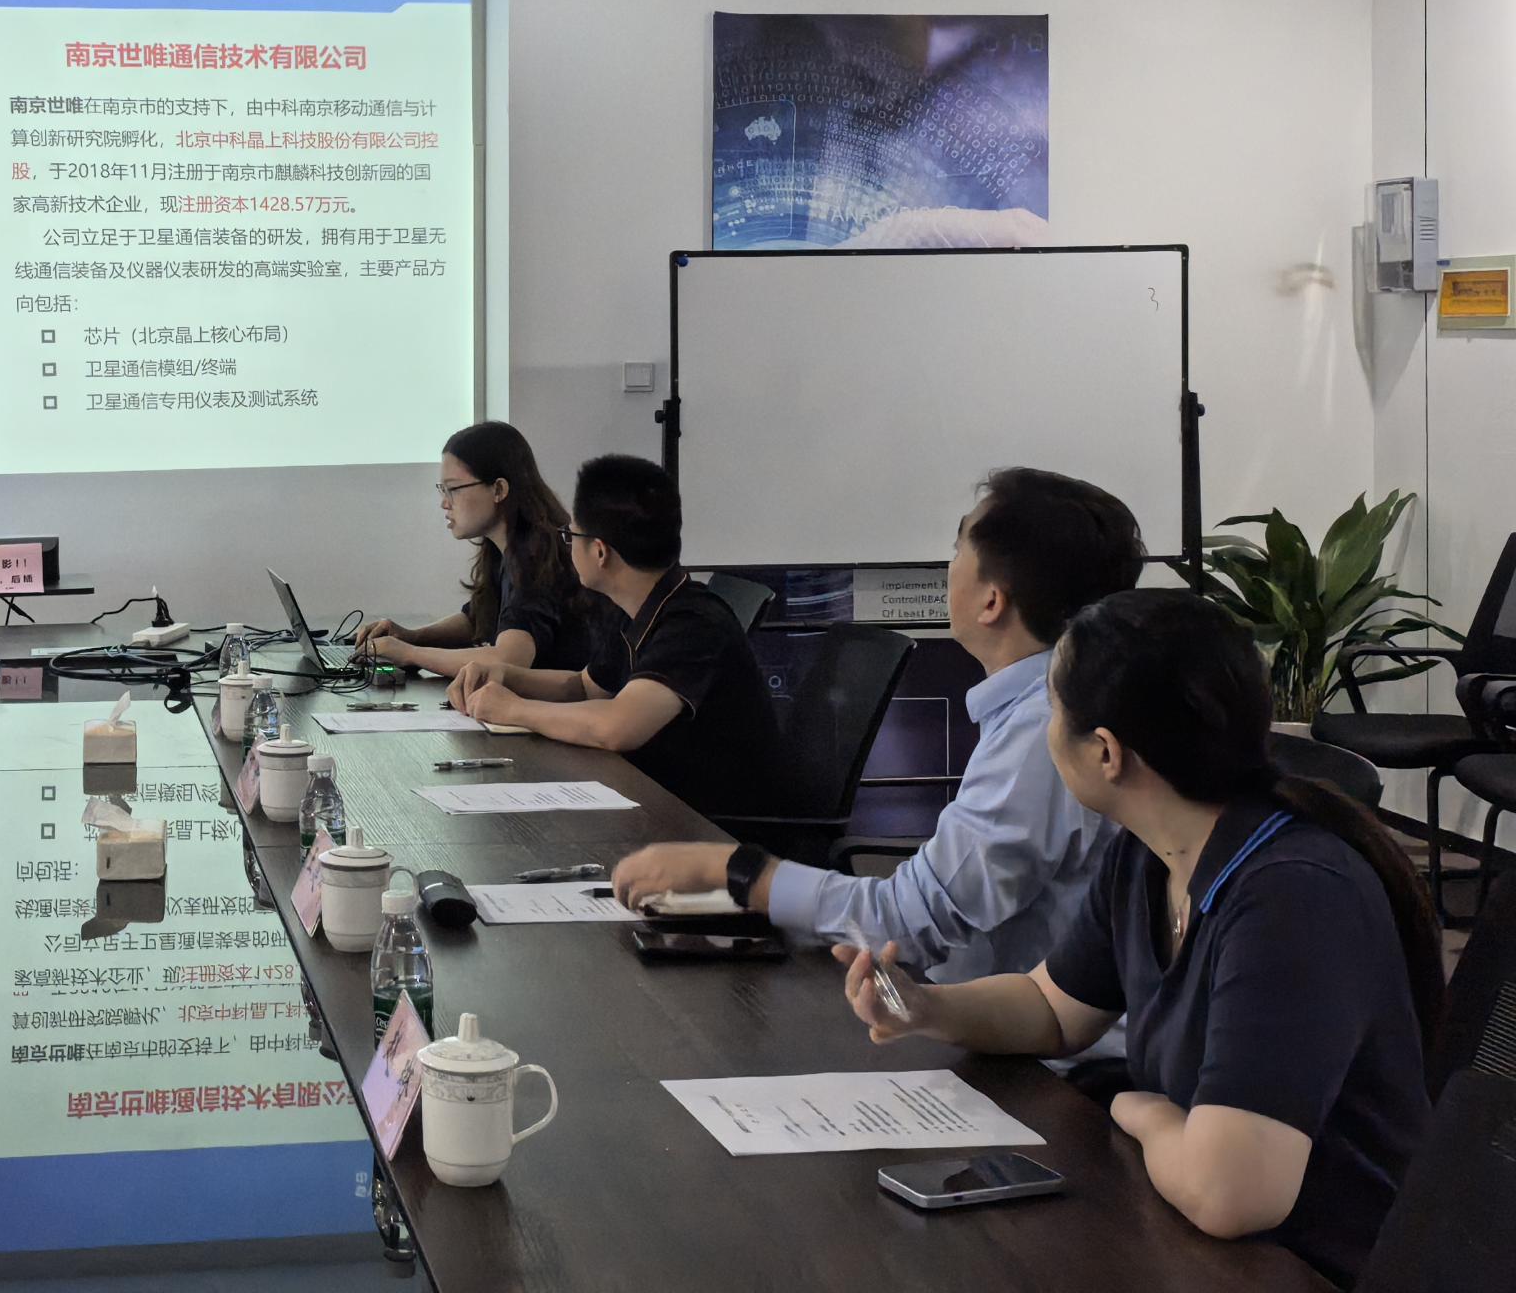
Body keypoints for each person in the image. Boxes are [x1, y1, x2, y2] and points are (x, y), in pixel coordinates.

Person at [835, 589, 1436, 1286]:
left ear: (1106, 753)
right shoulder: (1148, 855)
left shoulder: (1291, 898)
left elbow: (1230, 1192)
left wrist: (1143, 1112)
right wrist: (928, 1007)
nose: (1045, 730)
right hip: (1196, 1243)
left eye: (1052, 711)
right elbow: (1054, 1008)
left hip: (1315, 1268)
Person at [614, 468, 1142, 981]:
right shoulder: (1043, 707)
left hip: (1008, 1030)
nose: (949, 566)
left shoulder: (1040, 733)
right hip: (973, 1006)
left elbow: (913, 922)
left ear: (991, 601)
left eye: (958, 550)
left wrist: (737, 873)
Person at [446, 454, 777, 813]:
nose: (567, 545)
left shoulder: (693, 624)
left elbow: (617, 727)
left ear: (600, 551)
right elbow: (585, 686)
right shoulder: (638, 606)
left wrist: (514, 708)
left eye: (570, 536)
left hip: (719, 828)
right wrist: (505, 676)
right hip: (665, 804)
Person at [354, 421, 595, 680]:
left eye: (454, 489)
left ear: (499, 489)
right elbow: (479, 618)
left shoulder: (534, 558)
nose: (444, 503)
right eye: (443, 490)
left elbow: (509, 658)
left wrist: (410, 653)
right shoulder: (508, 545)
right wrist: (412, 636)